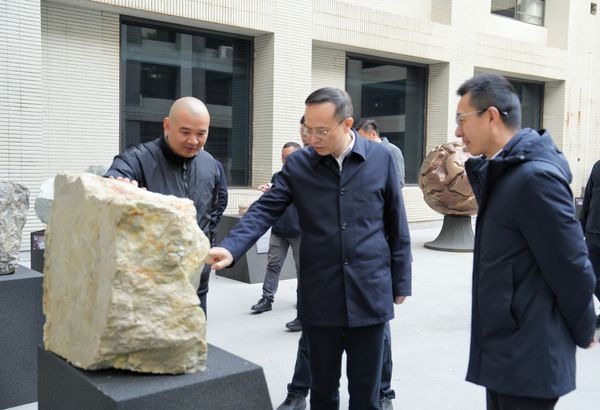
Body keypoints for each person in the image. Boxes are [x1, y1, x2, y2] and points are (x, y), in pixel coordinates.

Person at [207, 87, 412, 410]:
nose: (312, 138)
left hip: (369, 291)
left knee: (367, 393)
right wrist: (231, 248)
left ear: (347, 124)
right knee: (323, 391)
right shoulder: (299, 164)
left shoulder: (381, 158)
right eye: (307, 129)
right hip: (320, 295)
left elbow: (396, 223)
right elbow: (265, 209)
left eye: (322, 131)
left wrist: (401, 281)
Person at [456, 72, 596, 410]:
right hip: (506, 350)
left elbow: (571, 266)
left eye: (462, 120)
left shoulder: (534, 178)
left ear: (491, 116)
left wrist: (584, 328)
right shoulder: (504, 172)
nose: (458, 132)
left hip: (529, 357)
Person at [105, 96, 225, 315]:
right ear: (167, 125)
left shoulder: (211, 165)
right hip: (152, 284)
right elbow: (113, 180)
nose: (193, 141)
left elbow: (217, 207)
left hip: (197, 280)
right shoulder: (137, 159)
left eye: (201, 133)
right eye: (185, 132)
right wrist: (118, 184)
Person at [251, 142, 302, 330]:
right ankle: (266, 299)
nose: (285, 161)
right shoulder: (277, 176)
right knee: (273, 265)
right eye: (283, 157)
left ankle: (303, 301)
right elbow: (274, 200)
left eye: (289, 157)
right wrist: (269, 191)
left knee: (302, 269)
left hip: (300, 231)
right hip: (279, 229)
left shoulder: (308, 177)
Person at [580, 159, 600, 327]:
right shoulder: (598, 166)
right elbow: (588, 197)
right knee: (590, 278)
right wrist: (581, 225)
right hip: (593, 233)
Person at [356, 118, 405, 188]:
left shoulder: (392, 151)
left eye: (362, 139)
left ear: (373, 134)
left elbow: (399, 182)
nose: (361, 143)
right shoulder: (366, 153)